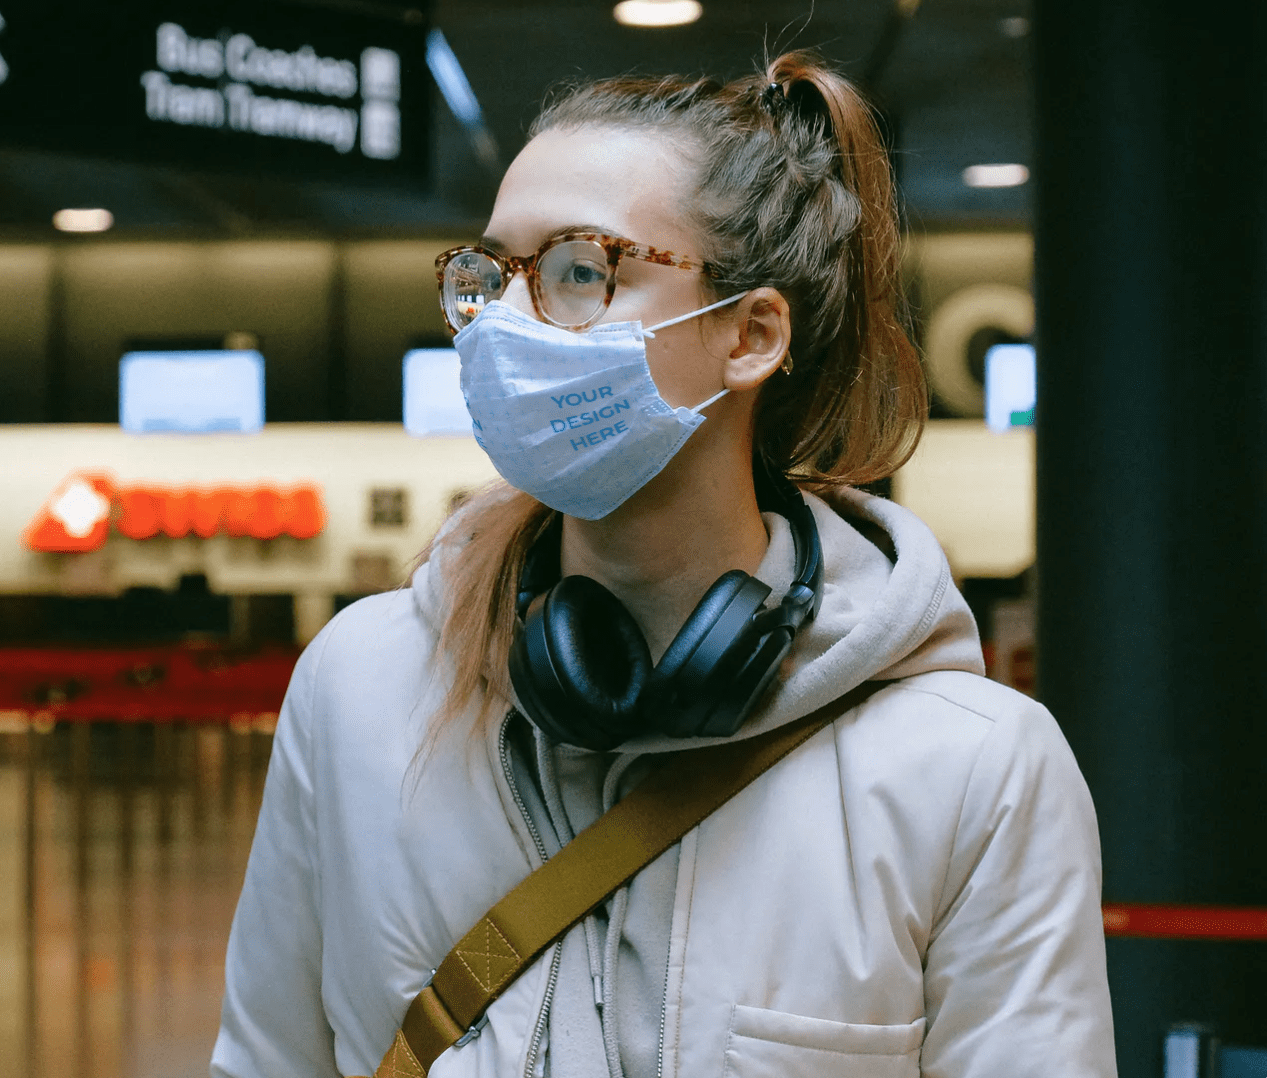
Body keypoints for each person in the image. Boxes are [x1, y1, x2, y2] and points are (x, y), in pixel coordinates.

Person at [212, 53, 1116, 1078]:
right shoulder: (359, 688)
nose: (507, 326)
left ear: (749, 335)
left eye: (579, 272)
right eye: (489, 275)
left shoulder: (969, 768)